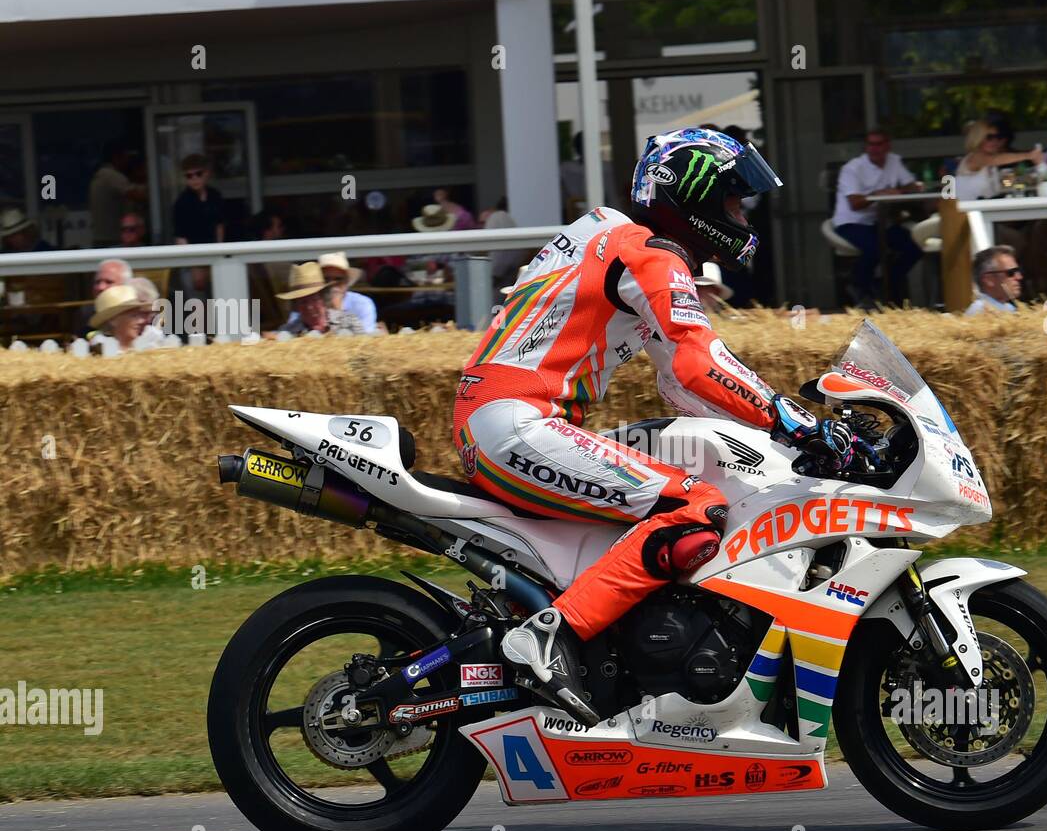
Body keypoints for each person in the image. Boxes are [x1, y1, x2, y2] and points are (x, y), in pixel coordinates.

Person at [454, 127, 859, 724]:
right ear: (691, 195)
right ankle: (552, 636)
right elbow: (700, 363)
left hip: (504, 419)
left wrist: (769, 441)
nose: (740, 216)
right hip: (518, 422)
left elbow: (677, 381)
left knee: (691, 482)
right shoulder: (651, 253)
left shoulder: (617, 240)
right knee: (698, 508)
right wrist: (795, 422)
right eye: (730, 201)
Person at [831, 129, 924, 305]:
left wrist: (900, 191)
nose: (875, 149)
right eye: (870, 144)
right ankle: (859, 286)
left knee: (914, 247)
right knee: (875, 249)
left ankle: (884, 285)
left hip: (879, 222)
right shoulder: (852, 168)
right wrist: (880, 193)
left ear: (887, 145)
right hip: (852, 222)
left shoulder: (894, 161)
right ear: (865, 147)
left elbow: (912, 186)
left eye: (879, 144)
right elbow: (855, 203)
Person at [952, 119, 1043, 201]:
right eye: (989, 137)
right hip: (963, 215)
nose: (995, 141)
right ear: (978, 138)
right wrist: (1029, 155)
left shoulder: (991, 166)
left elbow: (1003, 186)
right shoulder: (975, 157)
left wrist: (1018, 180)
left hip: (981, 211)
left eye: (998, 137)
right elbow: (997, 159)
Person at [275, 262, 369, 336]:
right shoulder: (288, 332)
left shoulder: (349, 322)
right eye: (303, 302)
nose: (310, 307)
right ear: (296, 306)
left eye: (314, 300)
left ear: (324, 299)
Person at [89, 142, 147, 248]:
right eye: (126, 157)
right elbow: (138, 196)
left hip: (104, 238)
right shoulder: (111, 176)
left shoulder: (102, 174)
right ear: (117, 157)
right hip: (112, 240)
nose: (128, 161)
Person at [87, 279, 161, 351]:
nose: (142, 321)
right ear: (113, 320)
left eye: (140, 314)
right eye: (134, 316)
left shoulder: (152, 344)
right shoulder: (101, 350)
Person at [318, 252, 379, 333]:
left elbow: (365, 339)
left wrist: (337, 309)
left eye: (337, 279)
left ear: (347, 281)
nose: (332, 284)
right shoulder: (310, 304)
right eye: (327, 279)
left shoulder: (362, 303)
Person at [172, 153, 225, 245]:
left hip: (213, 250)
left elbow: (219, 226)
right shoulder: (181, 203)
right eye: (189, 176)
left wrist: (219, 249)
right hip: (193, 252)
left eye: (198, 174)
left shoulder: (215, 196)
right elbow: (180, 236)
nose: (194, 178)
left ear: (207, 173)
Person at [965, 246, 1024, 315]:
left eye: (1018, 271)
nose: (1019, 277)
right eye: (1010, 272)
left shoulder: (1009, 308)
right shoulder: (979, 311)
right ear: (989, 279)